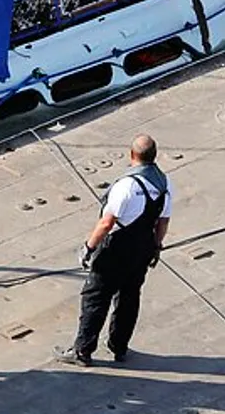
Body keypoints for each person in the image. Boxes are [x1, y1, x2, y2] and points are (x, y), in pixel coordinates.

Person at [56, 134, 173, 366]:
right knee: (129, 297)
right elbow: (163, 221)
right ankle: (119, 346)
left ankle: (82, 351)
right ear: (154, 156)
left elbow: (107, 223)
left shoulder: (127, 186)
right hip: (143, 247)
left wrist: (88, 248)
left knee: (95, 298)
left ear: (132, 155)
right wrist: (156, 246)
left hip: (116, 249)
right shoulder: (164, 184)